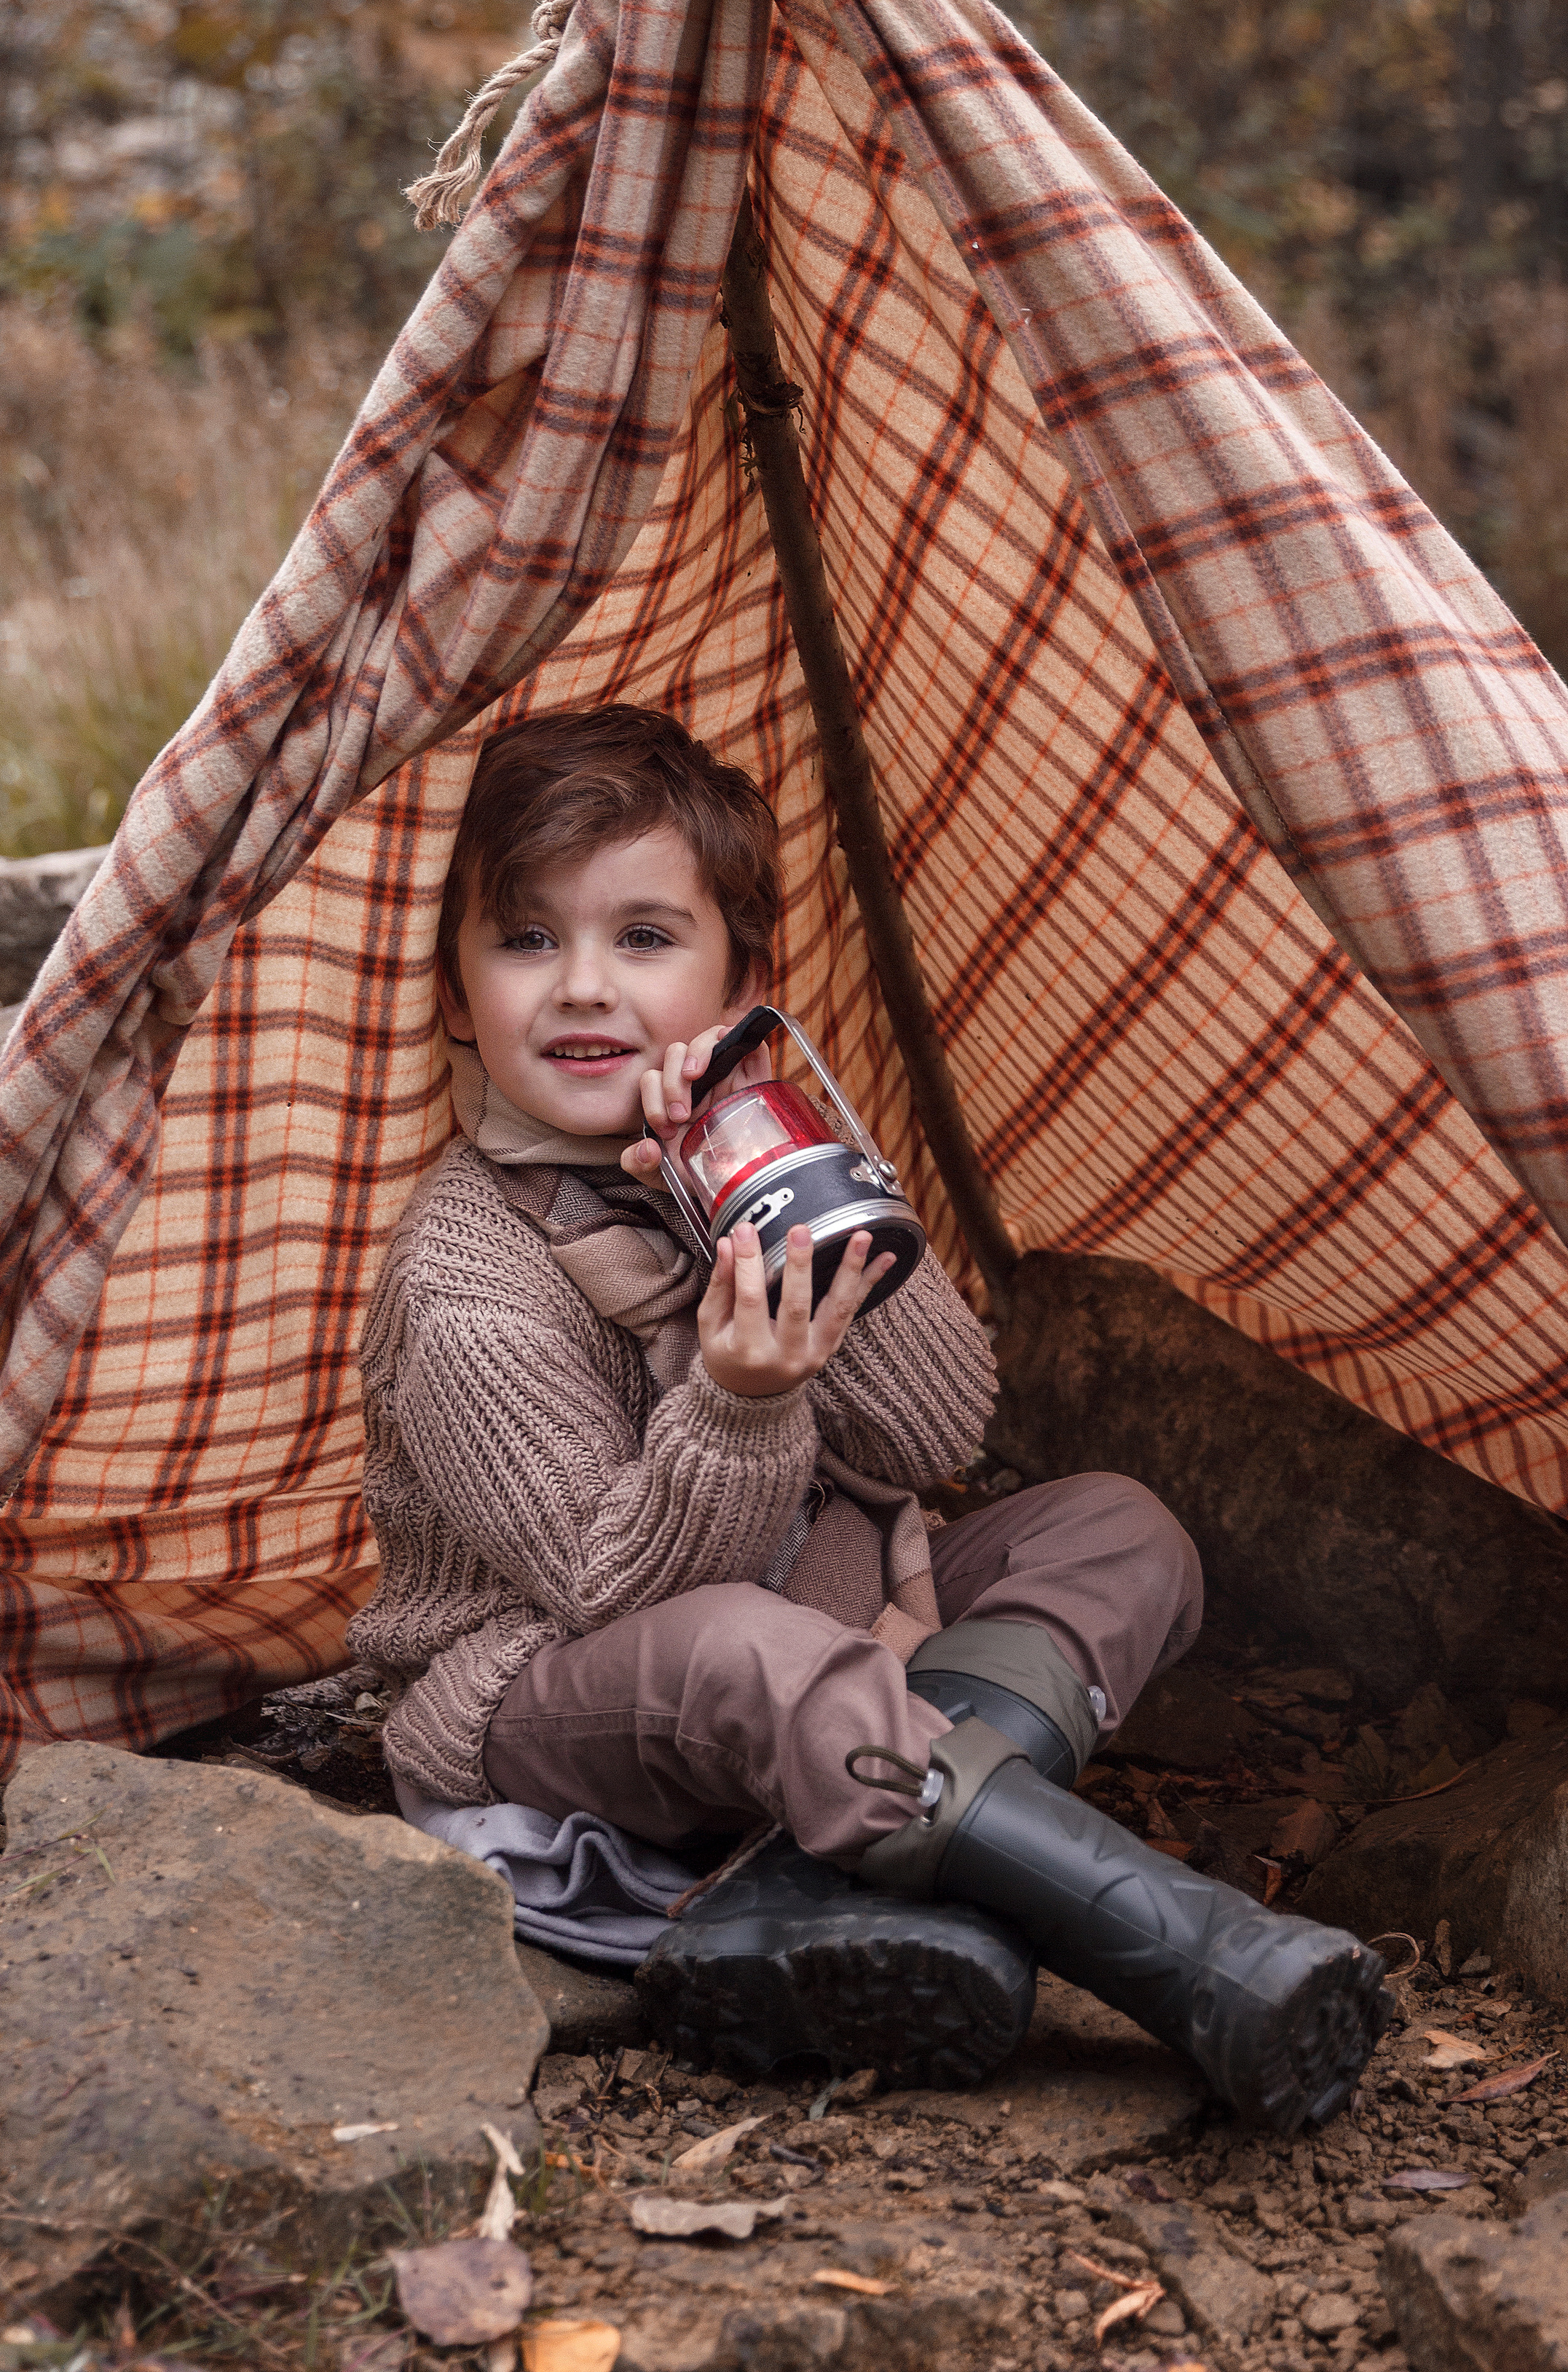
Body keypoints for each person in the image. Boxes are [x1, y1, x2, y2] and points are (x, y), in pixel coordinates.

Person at [350, 706, 1387, 2127]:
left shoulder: (750, 1156)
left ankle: (792, 1888)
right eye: (526, 941)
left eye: (643, 939)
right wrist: (739, 1403)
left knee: (1115, 1529)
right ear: (455, 994)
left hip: (816, 1617)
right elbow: (613, 1592)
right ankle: (1187, 1948)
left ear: (738, 980)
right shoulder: (465, 1274)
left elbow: (930, 1443)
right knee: (744, 1650)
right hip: (558, 1687)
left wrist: (813, 1201)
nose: (581, 988)